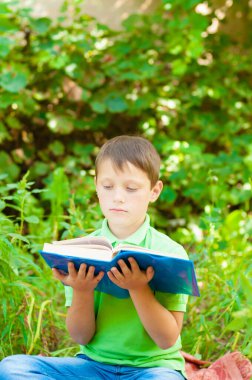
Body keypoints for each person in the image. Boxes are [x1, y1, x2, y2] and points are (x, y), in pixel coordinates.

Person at [0, 135, 189, 379]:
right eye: (108, 186)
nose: (118, 197)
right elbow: (80, 337)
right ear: (96, 185)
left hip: (152, 369)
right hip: (93, 367)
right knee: (12, 367)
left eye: (131, 188)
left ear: (154, 191)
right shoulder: (84, 251)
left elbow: (166, 339)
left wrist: (138, 288)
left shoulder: (170, 252)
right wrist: (81, 290)